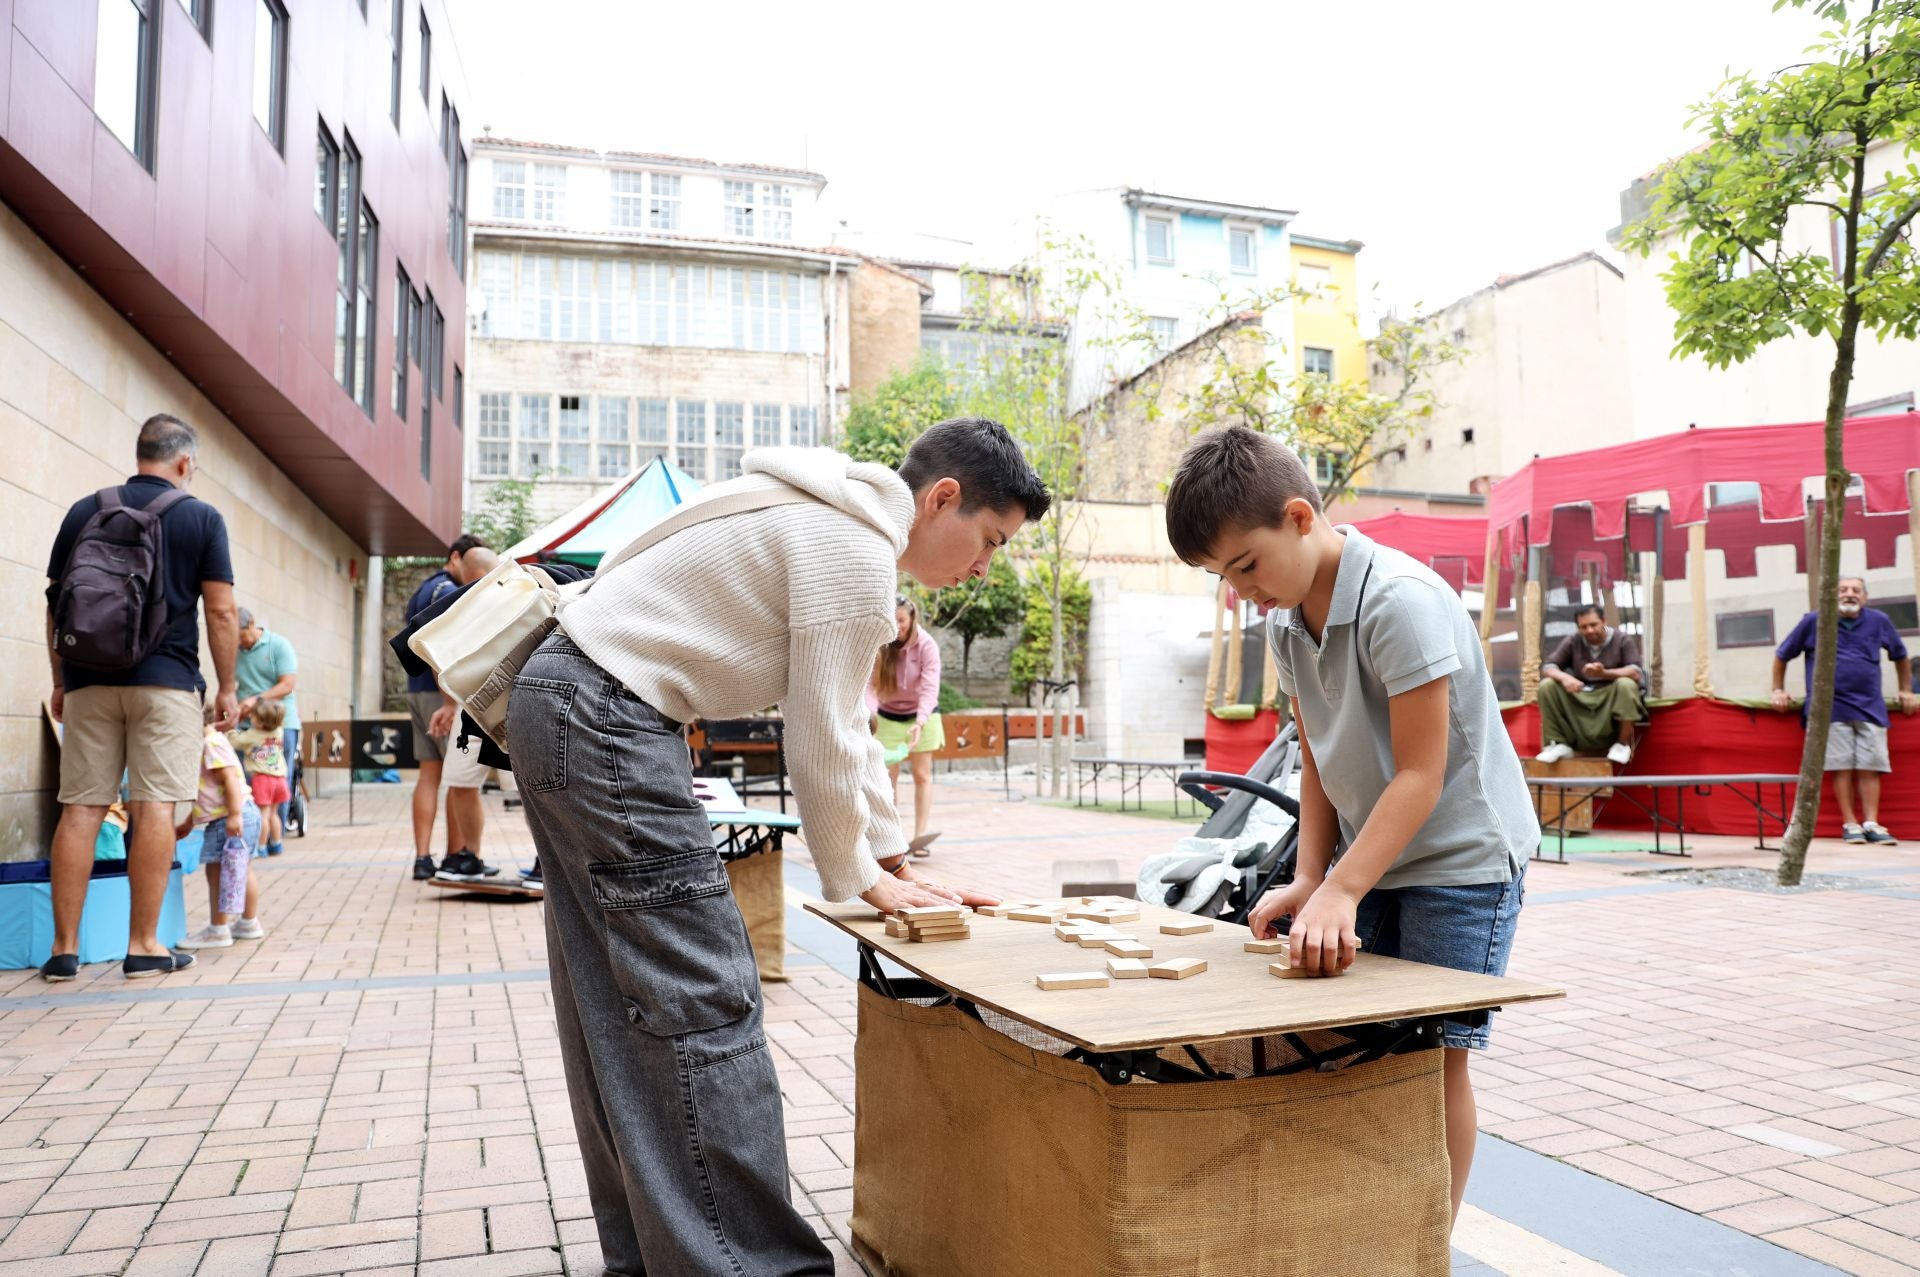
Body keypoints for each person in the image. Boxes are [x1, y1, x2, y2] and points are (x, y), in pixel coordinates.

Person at [510, 418, 1047, 1276]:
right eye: (989, 539)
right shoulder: (854, 550)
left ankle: (652, 1257)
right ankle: (754, 1266)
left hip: (562, 695)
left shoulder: (812, 501)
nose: (984, 565)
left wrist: (891, 859)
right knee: (704, 996)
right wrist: (862, 880)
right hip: (609, 715)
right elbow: (823, 738)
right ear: (942, 497)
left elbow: (852, 732)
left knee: (616, 1005)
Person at [1163, 425, 1534, 1226]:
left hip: (1464, 860)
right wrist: (1308, 875)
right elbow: (1321, 755)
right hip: (1373, 857)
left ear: (1300, 516)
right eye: (1221, 578)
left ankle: (1424, 1242)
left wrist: (1339, 886)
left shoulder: (1399, 601)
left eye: (1246, 566)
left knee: (1432, 1064)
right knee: (1353, 1046)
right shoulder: (1287, 620)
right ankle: (1364, 1223)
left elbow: (1420, 774)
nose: (1241, 592)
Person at [41, 414, 237, 982]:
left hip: (87, 680)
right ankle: (145, 944)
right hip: (166, 682)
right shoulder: (200, 516)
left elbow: (55, 605)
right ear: (184, 462)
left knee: (81, 807)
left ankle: (64, 949)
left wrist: (59, 678)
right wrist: (227, 685)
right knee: (153, 807)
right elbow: (221, 610)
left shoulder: (85, 510)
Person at [1772, 576, 1916, 844]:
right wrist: (1778, 689)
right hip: (1830, 709)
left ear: (1865, 596)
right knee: (1841, 767)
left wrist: (1906, 689)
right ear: (1831, 595)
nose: (1849, 594)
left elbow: (1900, 655)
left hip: (1870, 707)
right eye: (1843, 590)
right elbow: (1783, 654)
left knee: (1870, 767)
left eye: (1856, 590)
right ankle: (1850, 824)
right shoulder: (1814, 620)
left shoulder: (1879, 620)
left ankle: (1872, 823)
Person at [402, 535, 499, 882]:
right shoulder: (447, 589)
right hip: (445, 694)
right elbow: (443, 641)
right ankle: (458, 855)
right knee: (460, 776)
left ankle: (423, 857)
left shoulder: (421, 590)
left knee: (429, 776)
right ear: (455, 558)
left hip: (416, 691)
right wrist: (449, 701)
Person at [174, 704, 267, 949]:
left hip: (229, 817)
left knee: (216, 872)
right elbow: (210, 792)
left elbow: (230, 781)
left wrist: (234, 815)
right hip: (239, 813)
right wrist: (189, 822)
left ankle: (218, 929)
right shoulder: (212, 742)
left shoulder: (210, 744)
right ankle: (248, 923)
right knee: (242, 869)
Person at [868, 594, 944, 855]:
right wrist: (870, 717)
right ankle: (892, 837)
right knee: (887, 779)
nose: (897, 625)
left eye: (902, 620)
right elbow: (870, 686)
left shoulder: (926, 645)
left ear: (912, 619)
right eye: (894, 620)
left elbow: (930, 686)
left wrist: (920, 721)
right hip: (888, 716)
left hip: (922, 716)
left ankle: (920, 836)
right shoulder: (880, 643)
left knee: (922, 775)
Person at [1535, 604, 1647, 765]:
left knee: (1626, 685)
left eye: (1593, 625)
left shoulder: (1622, 639)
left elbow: (1636, 673)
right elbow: (1548, 666)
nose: (1589, 630)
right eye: (1584, 627)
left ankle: (1622, 744)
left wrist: (1604, 673)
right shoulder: (1574, 640)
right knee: (1547, 685)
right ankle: (1557, 743)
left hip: (1611, 698)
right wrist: (1565, 678)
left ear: (1604, 621)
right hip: (1581, 696)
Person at [235, 607, 300, 843]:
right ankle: (251, 834)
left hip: (280, 723)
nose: (238, 642)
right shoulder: (234, 650)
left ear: (251, 623)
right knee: (243, 779)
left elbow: (287, 685)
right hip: (247, 724)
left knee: (279, 778)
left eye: (241, 635)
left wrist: (257, 700)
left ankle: (275, 837)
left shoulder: (279, 646)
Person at [231, 699, 290, 856]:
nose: (251, 717)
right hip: (280, 779)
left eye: (254, 716)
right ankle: (277, 844)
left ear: (261, 722)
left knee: (262, 815)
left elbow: (234, 741)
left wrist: (231, 726)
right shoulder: (278, 731)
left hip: (263, 780)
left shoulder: (252, 735)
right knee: (273, 814)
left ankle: (261, 847)